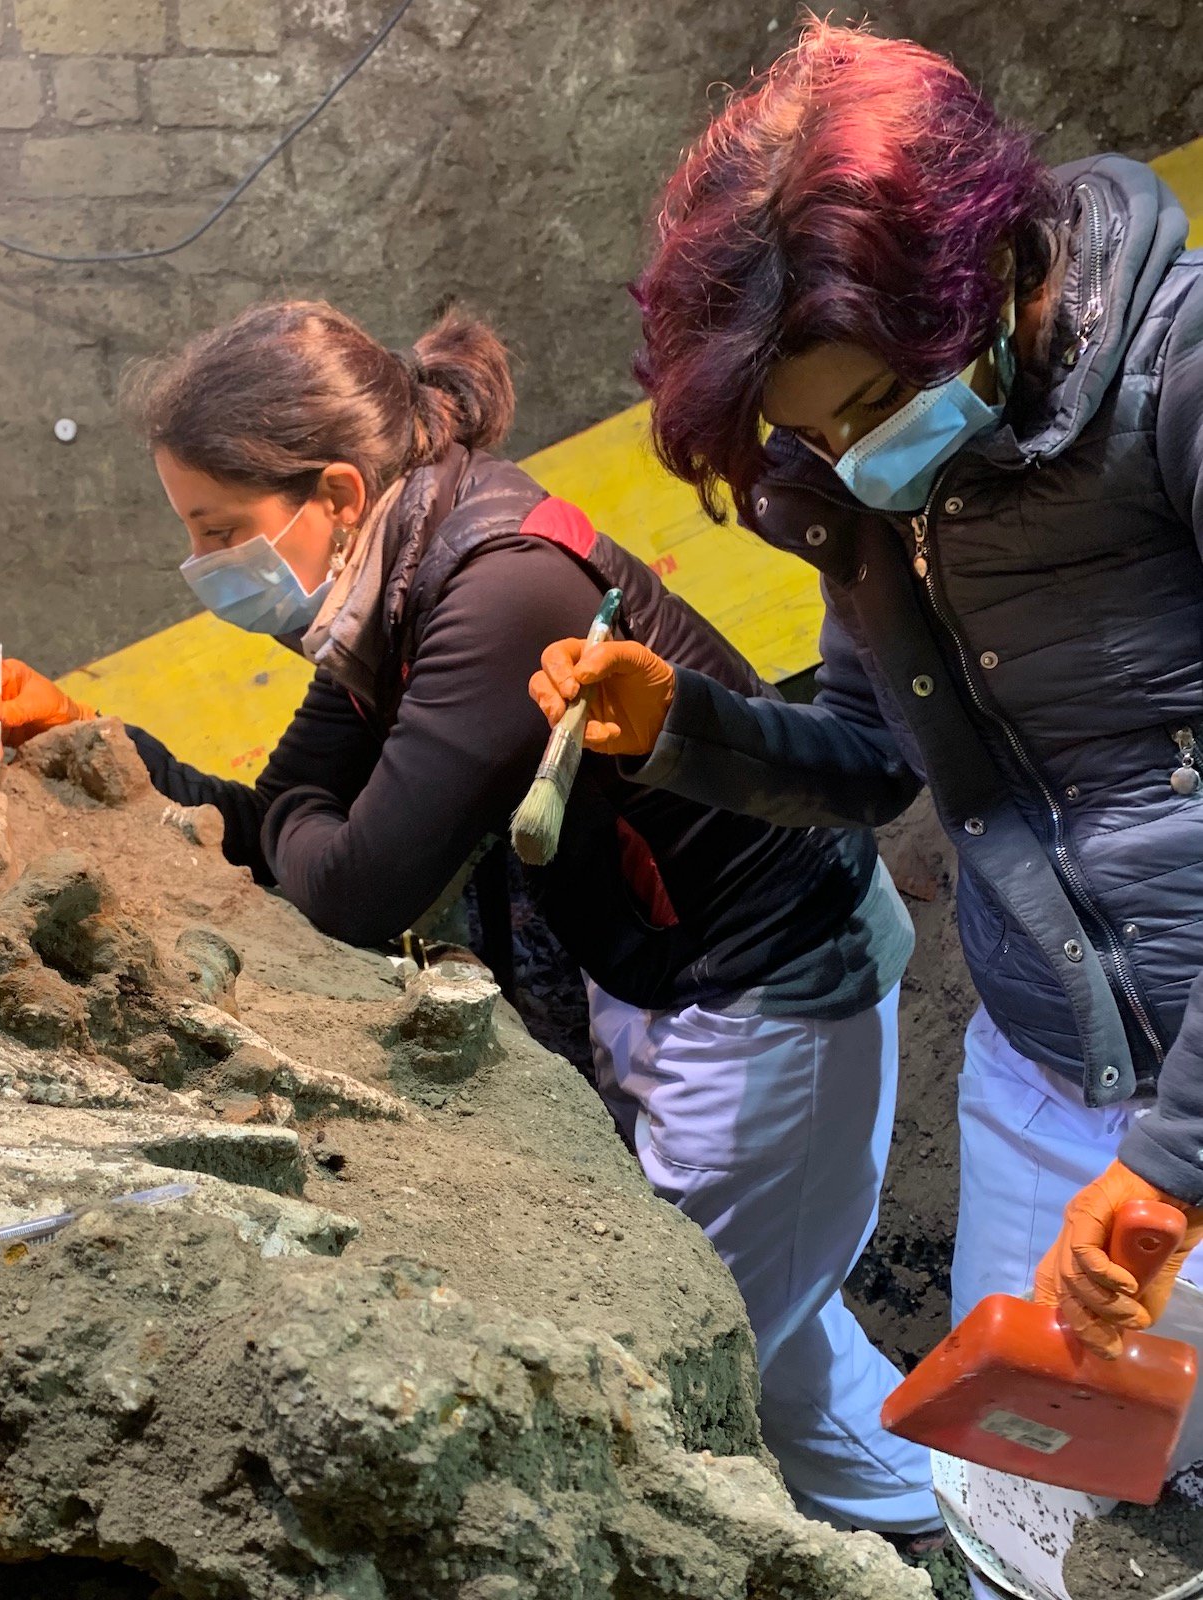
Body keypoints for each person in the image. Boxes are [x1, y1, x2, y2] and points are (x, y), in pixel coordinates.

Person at [0, 300, 943, 1544]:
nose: (210, 566)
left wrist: (319, 825)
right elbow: (283, 827)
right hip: (650, 969)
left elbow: (351, 894)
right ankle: (917, 1510)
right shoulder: (392, 585)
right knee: (761, 1311)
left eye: (223, 531)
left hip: (764, 990)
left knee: (683, 1351)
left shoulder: (494, 590)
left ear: (331, 488)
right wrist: (97, 740)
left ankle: (885, 1537)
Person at [528, 21, 1203, 1418]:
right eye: (810, 435)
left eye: (881, 406)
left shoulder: (1175, 382)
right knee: (1014, 1480)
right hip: (1050, 1055)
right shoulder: (870, 493)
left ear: (994, 264)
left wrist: (1179, 1159)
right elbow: (874, 765)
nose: (851, 460)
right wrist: (682, 731)